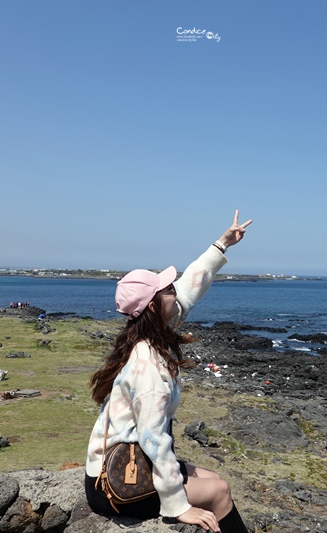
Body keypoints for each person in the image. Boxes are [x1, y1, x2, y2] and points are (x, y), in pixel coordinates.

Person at [85, 210, 253, 533]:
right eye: (166, 290)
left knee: (215, 479)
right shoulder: (148, 365)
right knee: (219, 492)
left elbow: (190, 285)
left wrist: (223, 244)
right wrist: (178, 506)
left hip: (117, 464)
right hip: (114, 483)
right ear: (152, 306)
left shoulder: (148, 333)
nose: (173, 290)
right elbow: (153, 438)